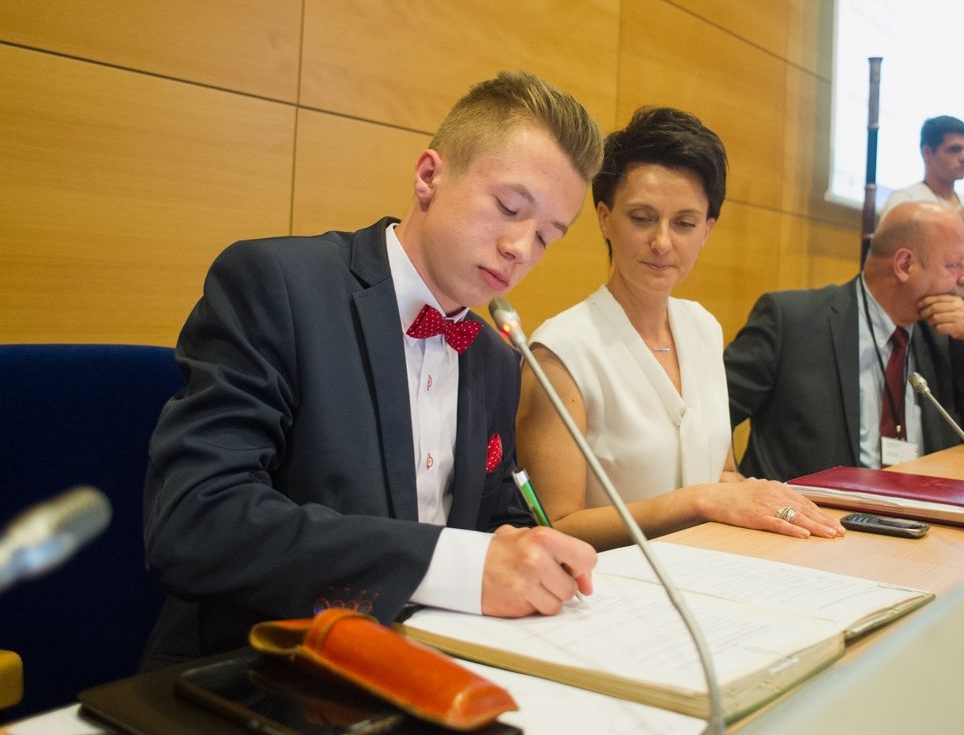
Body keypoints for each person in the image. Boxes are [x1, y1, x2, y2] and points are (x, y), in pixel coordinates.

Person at [141, 72, 604, 668]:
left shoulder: (495, 359)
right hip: (266, 669)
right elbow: (196, 519)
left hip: (436, 666)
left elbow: (495, 521)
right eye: (509, 208)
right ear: (429, 176)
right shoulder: (277, 286)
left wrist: (533, 551)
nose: (520, 248)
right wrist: (450, 564)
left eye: (545, 237)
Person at [514, 107, 842, 551]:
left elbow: (721, 474)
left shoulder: (702, 327)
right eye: (642, 218)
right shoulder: (561, 350)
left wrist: (776, 506)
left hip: (714, 567)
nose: (662, 242)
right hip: (615, 581)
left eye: (684, 224)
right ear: (605, 218)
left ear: (707, 230)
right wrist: (697, 501)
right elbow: (557, 526)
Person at [725, 201, 964, 481]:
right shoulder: (791, 322)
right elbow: (712, 412)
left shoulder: (945, 334)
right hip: (810, 512)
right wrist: (734, 484)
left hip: (922, 509)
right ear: (904, 265)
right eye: (954, 265)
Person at [883, 115, 964, 278]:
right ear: (927, 153)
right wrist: (957, 220)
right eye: (954, 149)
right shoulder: (905, 200)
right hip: (928, 294)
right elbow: (891, 255)